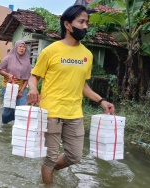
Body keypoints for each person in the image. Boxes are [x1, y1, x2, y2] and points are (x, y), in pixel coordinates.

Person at [26, 5, 115, 184]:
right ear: (67, 24)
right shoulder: (50, 51)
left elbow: (82, 85)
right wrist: (33, 88)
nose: (85, 27)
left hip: (74, 113)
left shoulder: (87, 55)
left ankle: (47, 170)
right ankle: (48, 176)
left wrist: (101, 100)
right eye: (81, 22)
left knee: (75, 156)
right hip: (51, 112)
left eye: (86, 23)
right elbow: (33, 77)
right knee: (50, 157)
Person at [0, 40, 31, 124]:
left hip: (21, 89)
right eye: (20, 46)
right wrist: (8, 75)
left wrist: (21, 91)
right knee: (8, 111)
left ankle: (18, 127)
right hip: (8, 87)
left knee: (22, 109)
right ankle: (4, 127)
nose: (22, 48)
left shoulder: (27, 61)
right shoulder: (8, 57)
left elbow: (27, 78)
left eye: (23, 47)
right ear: (16, 47)